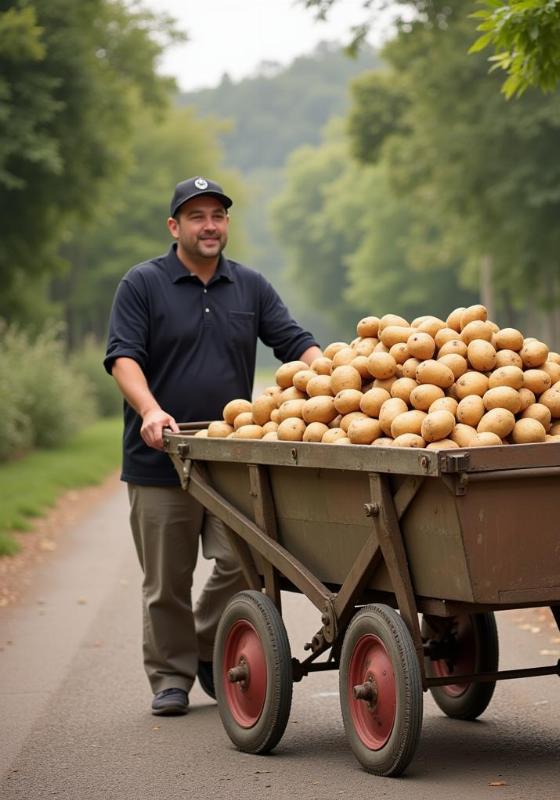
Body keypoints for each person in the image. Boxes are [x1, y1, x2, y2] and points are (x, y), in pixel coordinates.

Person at [104, 176, 322, 716]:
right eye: (197, 216)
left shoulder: (248, 285)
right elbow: (123, 356)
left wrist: (339, 376)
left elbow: (294, 342)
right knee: (166, 582)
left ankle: (203, 642)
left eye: (218, 216)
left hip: (228, 457)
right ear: (174, 227)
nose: (209, 226)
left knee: (244, 562)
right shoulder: (142, 284)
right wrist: (150, 410)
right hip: (160, 457)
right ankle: (171, 678)